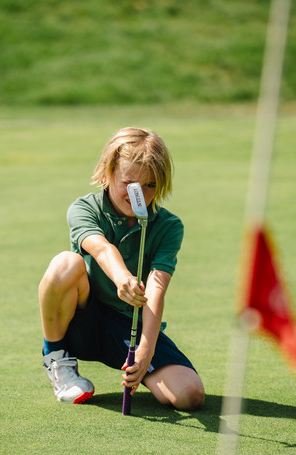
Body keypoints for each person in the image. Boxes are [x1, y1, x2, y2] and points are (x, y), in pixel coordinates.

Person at [38, 127, 205, 411]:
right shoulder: (83, 209)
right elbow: (101, 248)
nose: (138, 193)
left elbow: (157, 286)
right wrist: (123, 278)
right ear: (107, 174)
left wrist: (145, 349)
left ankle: (138, 358)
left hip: (131, 327)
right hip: (84, 322)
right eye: (129, 182)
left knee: (189, 395)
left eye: (149, 185)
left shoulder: (168, 226)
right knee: (66, 263)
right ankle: (57, 359)